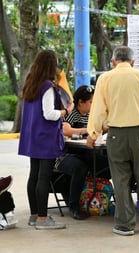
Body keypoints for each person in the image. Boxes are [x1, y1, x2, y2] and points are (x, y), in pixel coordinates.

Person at [86, 46, 139, 236]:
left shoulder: (105, 78)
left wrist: (92, 134)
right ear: (133, 62)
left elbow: (98, 110)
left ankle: (125, 225)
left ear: (113, 62)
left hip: (116, 135)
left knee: (120, 180)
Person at [18, 49, 73, 230]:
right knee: (44, 177)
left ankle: (34, 216)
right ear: (51, 65)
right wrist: (66, 111)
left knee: (34, 175)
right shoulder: (47, 86)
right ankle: (43, 219)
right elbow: (49, 114)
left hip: (33, 136)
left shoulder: (31, 84)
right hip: (46, 137)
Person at [55, 85, 98, 220]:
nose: (93, 105)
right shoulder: (72, 113)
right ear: (81, 102)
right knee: (80, 167)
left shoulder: (92, 115)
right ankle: (74, 207)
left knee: (104, 163)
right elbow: (65, 130)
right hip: (63, 156)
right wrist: (86, 130)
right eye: (91, 102)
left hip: (85, 153)